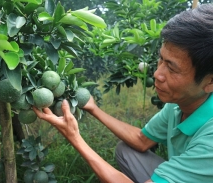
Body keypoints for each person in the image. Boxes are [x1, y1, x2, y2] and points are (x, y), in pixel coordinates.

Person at [33, 3, 213, 183]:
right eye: (161, 59)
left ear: (210, 81)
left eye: (172, 69)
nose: (157, 74)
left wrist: (74, 137)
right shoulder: (180, 103)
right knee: (127, 151)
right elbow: (141, 140)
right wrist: (94, 109)